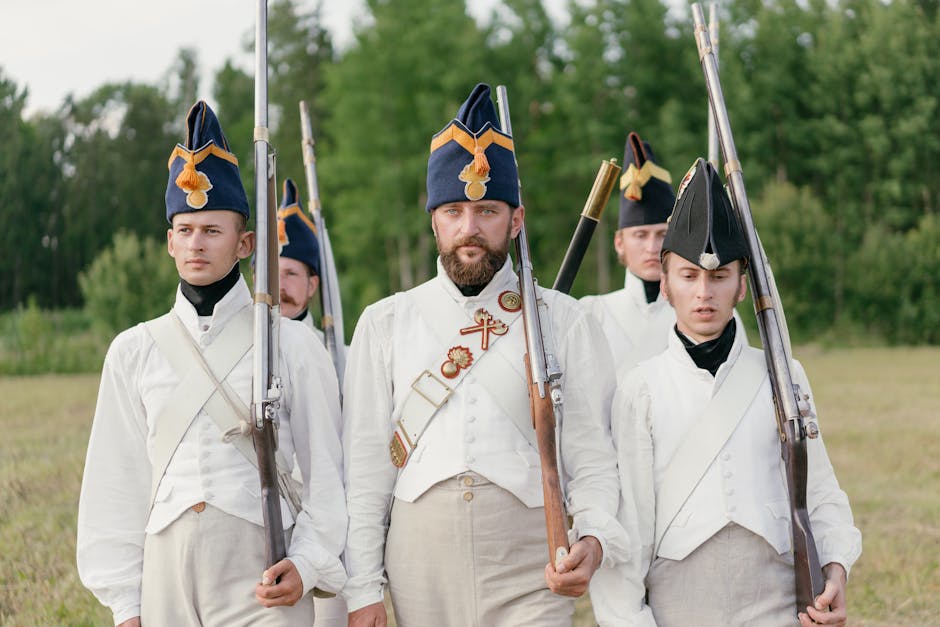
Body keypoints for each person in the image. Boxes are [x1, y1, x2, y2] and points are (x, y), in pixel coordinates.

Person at [341, 83, 627, 627]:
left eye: (487, 211)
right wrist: (362, 589)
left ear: (516, 220)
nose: (469, 229)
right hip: (418, 562)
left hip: (529, 562)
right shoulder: (384, 323)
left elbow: (592, 459)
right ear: (433, 220)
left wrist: (593, 538)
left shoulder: (564, 321)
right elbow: (367, 473)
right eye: (453, 211)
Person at [76, 101, 347, 627]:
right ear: (170, 241)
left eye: (212, 230)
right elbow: (117, 483)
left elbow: (327, 481)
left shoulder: (292, 345)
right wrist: (127, 606)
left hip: (263, 573)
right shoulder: (134, 350)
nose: (196, 242)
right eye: (185, 228)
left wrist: (308, 563)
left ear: (246, 243)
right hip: (165, 577)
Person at [597, 158, 862, 626]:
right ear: (665, 283)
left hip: (776, 597)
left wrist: (835, 569)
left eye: (719, 277)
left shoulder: (784, 375)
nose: (704, 293)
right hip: (677, 601)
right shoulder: (640, 389)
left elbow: (819, 491)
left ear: (742, 284)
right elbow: (631, 526)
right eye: (689, 276)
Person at [580, 132, 676, 373]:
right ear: (619, 242)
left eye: (662, 234)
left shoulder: (704, 312)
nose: (652, 248)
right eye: (640, 235)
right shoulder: (591, 313)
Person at [277, 178, 322, 333]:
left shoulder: (337, 355)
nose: (279, 286)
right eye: (271, 274)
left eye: (290, 274)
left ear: (311, 285)